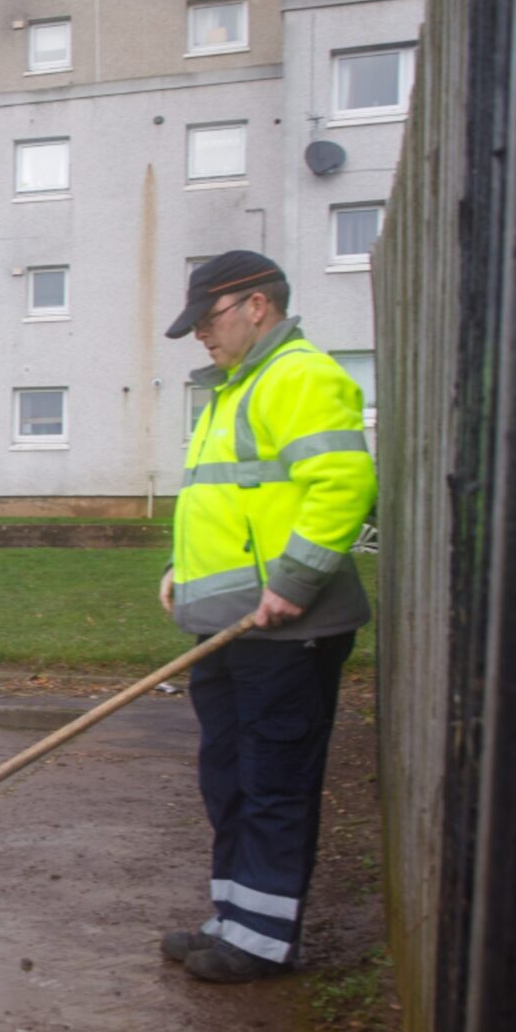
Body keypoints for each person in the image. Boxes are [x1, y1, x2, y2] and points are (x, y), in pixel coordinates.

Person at [156, 251, 376, 983]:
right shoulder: (232, 390)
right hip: (225, 626)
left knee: (274, 776)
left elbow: (343, 484)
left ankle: (262, 939)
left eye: (207, 320)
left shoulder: (300, 376)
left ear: (257, 305)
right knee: (229, 775)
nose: (200, 337)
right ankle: (232, 915)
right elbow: (231, 504)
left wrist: (297, 580)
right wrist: (180, 573)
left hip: (286, 628)